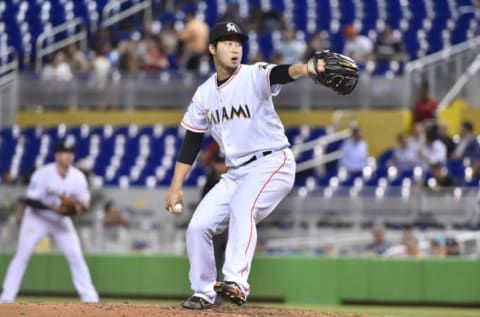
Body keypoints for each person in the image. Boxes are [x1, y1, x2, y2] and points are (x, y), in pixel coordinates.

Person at [164, 21, 353, 310]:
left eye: (238, 43)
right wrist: (176, 186)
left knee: (243, 207)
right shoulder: (204, 94)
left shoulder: (253, 75)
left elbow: (281, 72)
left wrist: (308, 68)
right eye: (227, 43)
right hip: (235, 173)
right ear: (212, 49)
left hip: (272, 162)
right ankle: (203, 292)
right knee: (198, 227)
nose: (235, 48)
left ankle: (236, 282)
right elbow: (192, 141)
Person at [0, 141, 99, 303]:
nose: (67, 156)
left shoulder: (78, 177)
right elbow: (30, 200)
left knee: (75, 255)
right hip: (37, 218)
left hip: (60, 221)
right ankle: (7, 297)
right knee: (22, 255)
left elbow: (85, 203)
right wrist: (51, 208)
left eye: (70, 153)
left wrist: (76, 209)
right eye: (63, 152)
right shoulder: (43, 174)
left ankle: (90, 298)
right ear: (57, 156)